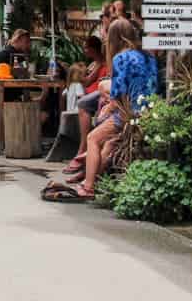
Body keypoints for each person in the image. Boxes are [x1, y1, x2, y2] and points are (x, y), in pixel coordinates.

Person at [72, 18, 157, 199]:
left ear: (113, 38)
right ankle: (92, 180)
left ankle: (88, 187)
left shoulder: (121, 58)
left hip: (131, 114)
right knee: (109, 143)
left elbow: (118, 93)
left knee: (93, 138)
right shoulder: (149, 56)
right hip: (150, 112)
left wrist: (107, 109)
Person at [61, 35, 111, 175]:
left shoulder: (104, 63)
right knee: (82, 102)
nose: (84, 50)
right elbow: (88, 81)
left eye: (86, 47)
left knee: (83, 103)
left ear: (92, 49)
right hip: (91, 94)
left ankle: (83, 150)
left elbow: (91, 82)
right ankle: (84, 153)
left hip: (98, 95)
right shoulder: (96, 63)